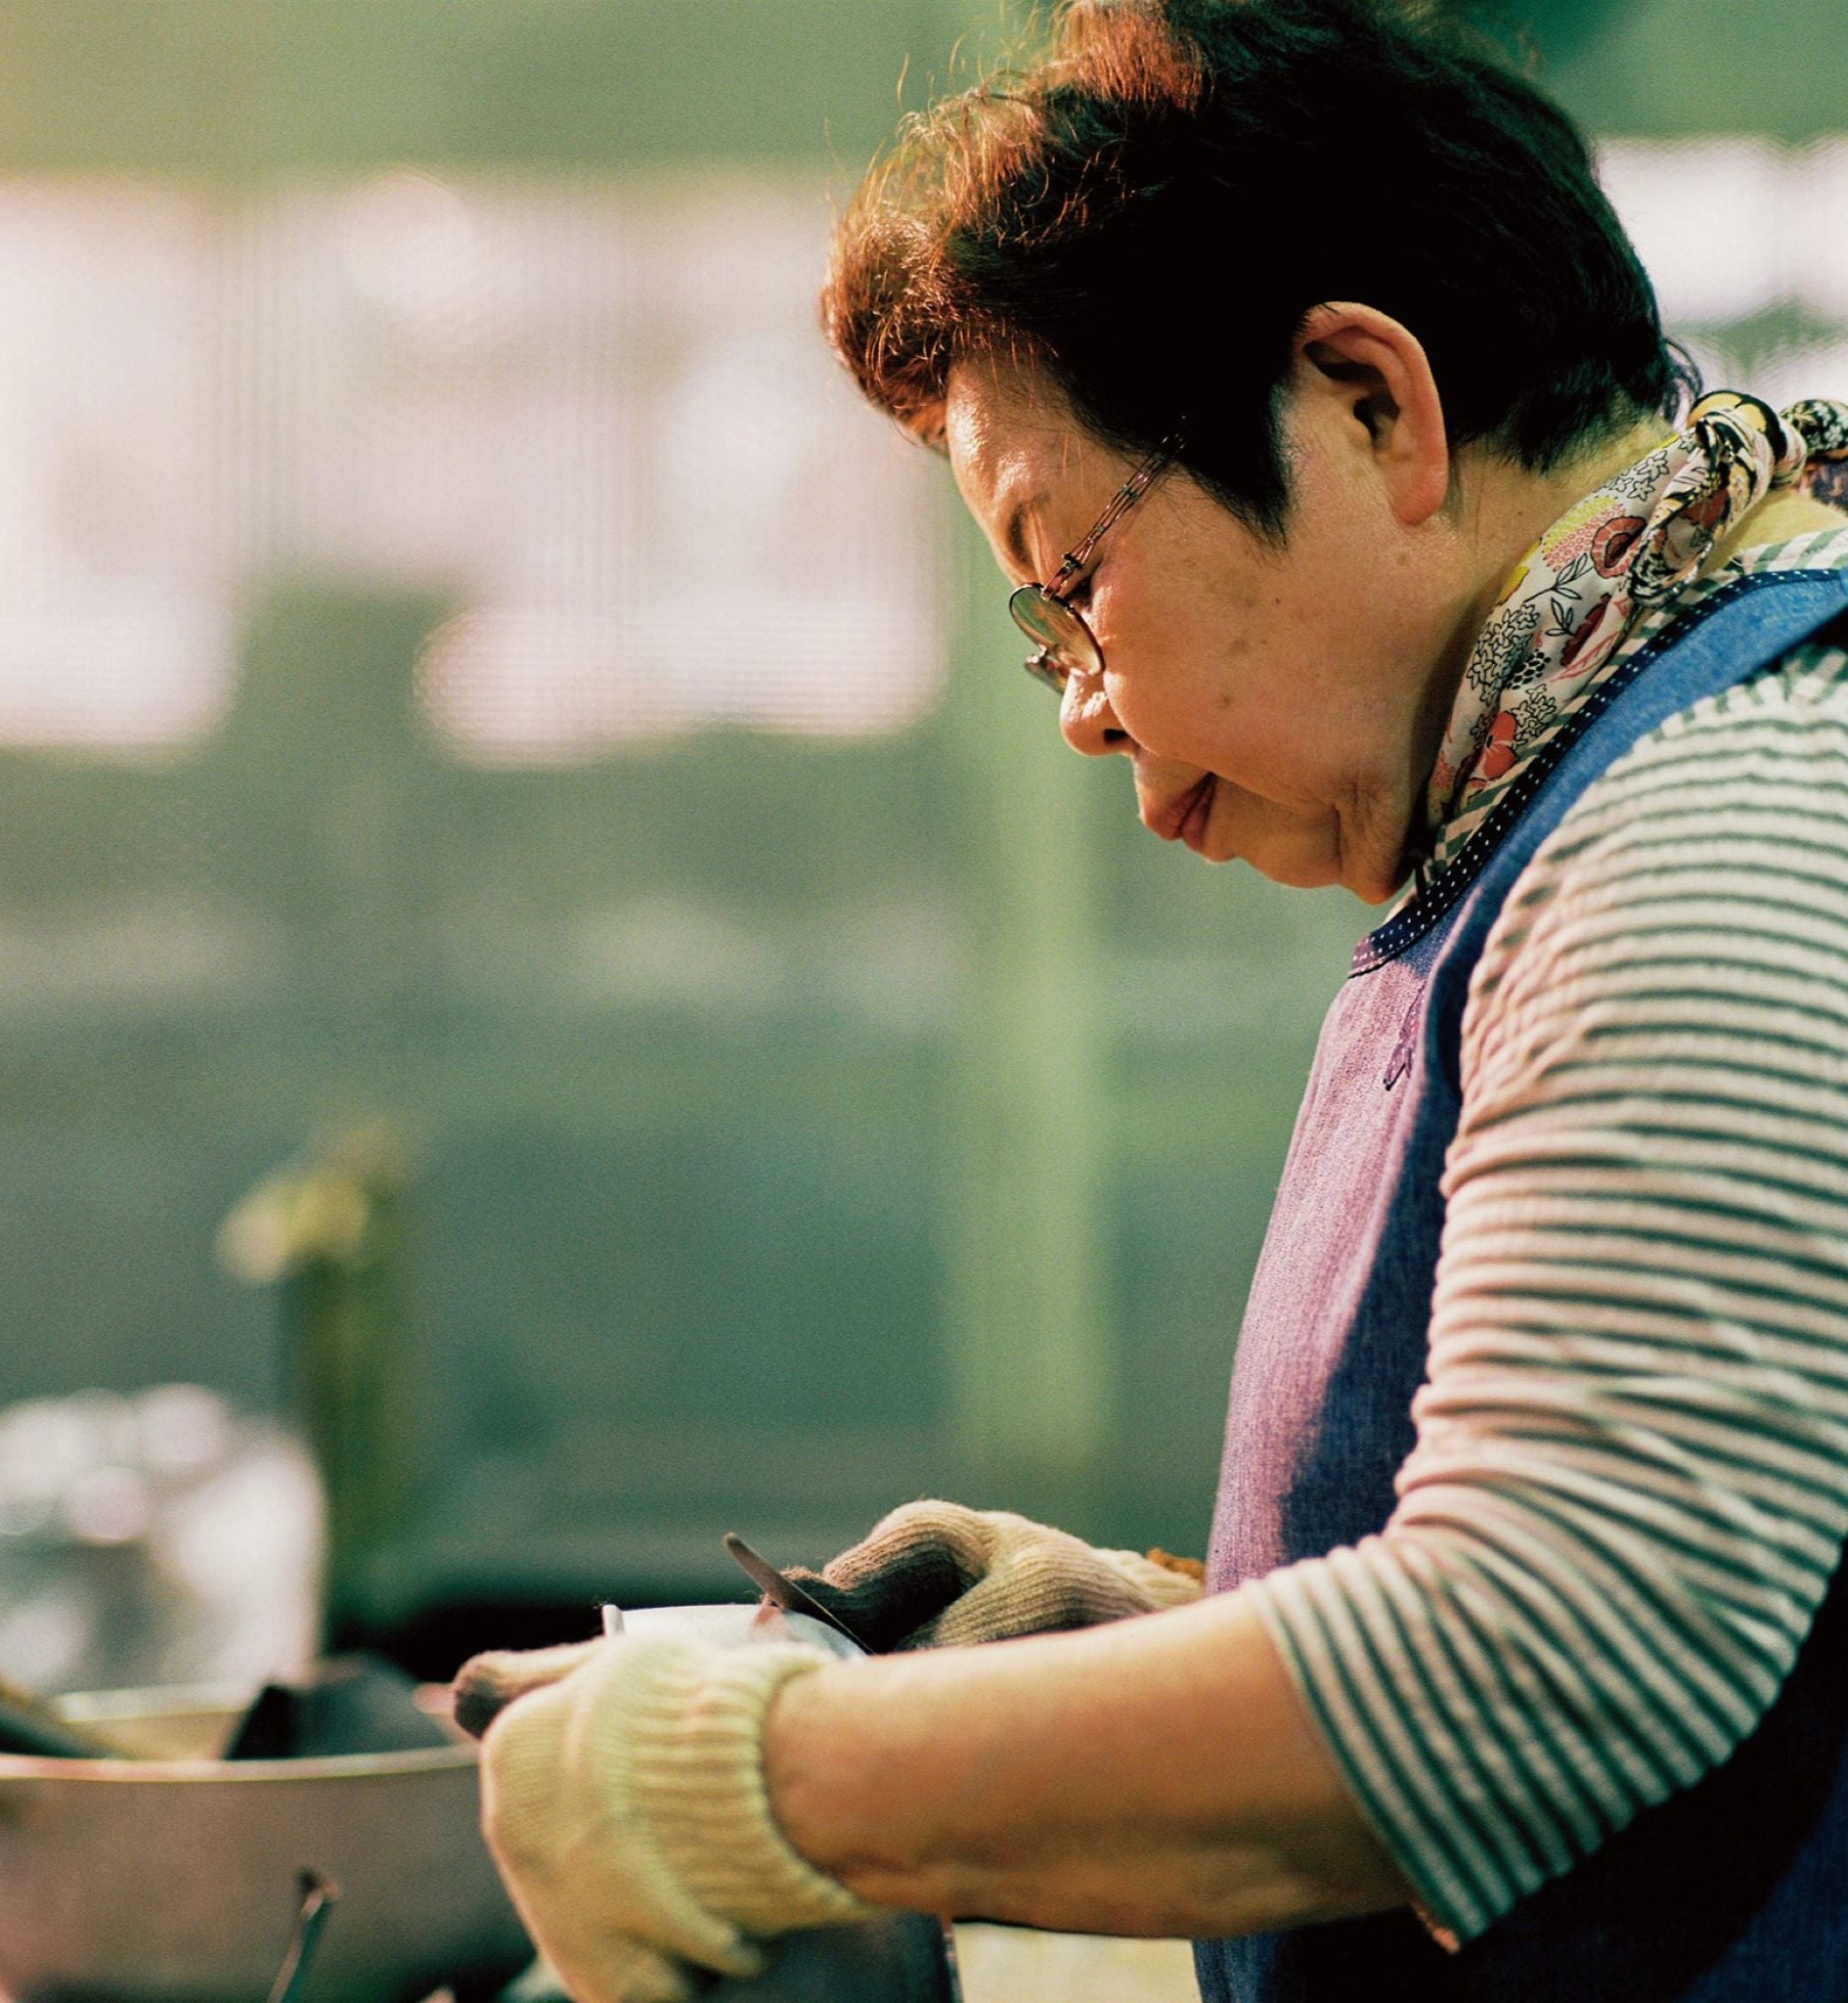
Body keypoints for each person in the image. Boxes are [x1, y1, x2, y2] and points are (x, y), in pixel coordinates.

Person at [454, 3, 1848, 1997]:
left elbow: (1553, 1657)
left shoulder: (1722, 804)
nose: (1091, 719)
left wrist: (771, 1771)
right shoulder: (1559, 800)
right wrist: (1161, 1636)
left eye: (1073, 589)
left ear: (1366, 402)